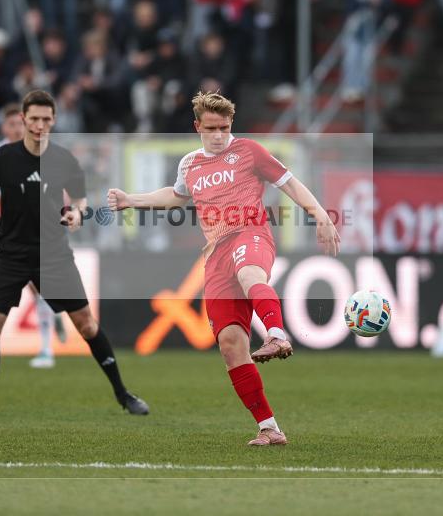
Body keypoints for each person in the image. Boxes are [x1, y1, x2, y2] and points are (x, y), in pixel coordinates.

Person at [107, 91, 340, 446]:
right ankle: (269, 428)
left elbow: (290, 183)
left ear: (231, 125)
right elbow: (176, 195)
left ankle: (276, 334)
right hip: (215, 255)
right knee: (230, 345)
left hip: (251, 233)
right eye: (211, 128)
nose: (218, 135)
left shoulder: (249, 151)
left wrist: (320, 215)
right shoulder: (190, 164)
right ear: (197, 127)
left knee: (250, 275)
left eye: (224, 128)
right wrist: (131, 200)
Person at [0, 90, 149, 416]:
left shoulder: (64, 159)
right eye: (33, 119)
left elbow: (79, 200)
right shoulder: (1, 157)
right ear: (23, 119)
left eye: (45, 119)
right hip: (12, 254)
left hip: (54, 254)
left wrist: (76, 214)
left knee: (86, 325)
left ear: (54, 120)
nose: (39, 125)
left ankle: (123, 395)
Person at [0, 103, 68, 369]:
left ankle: (46, 349)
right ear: (4, 128)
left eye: (20, 124)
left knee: (39, 286)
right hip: (11, 229)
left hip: (42, 227)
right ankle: (53, 313)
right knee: (33, 287)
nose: (17, 129)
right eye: (12, 125)